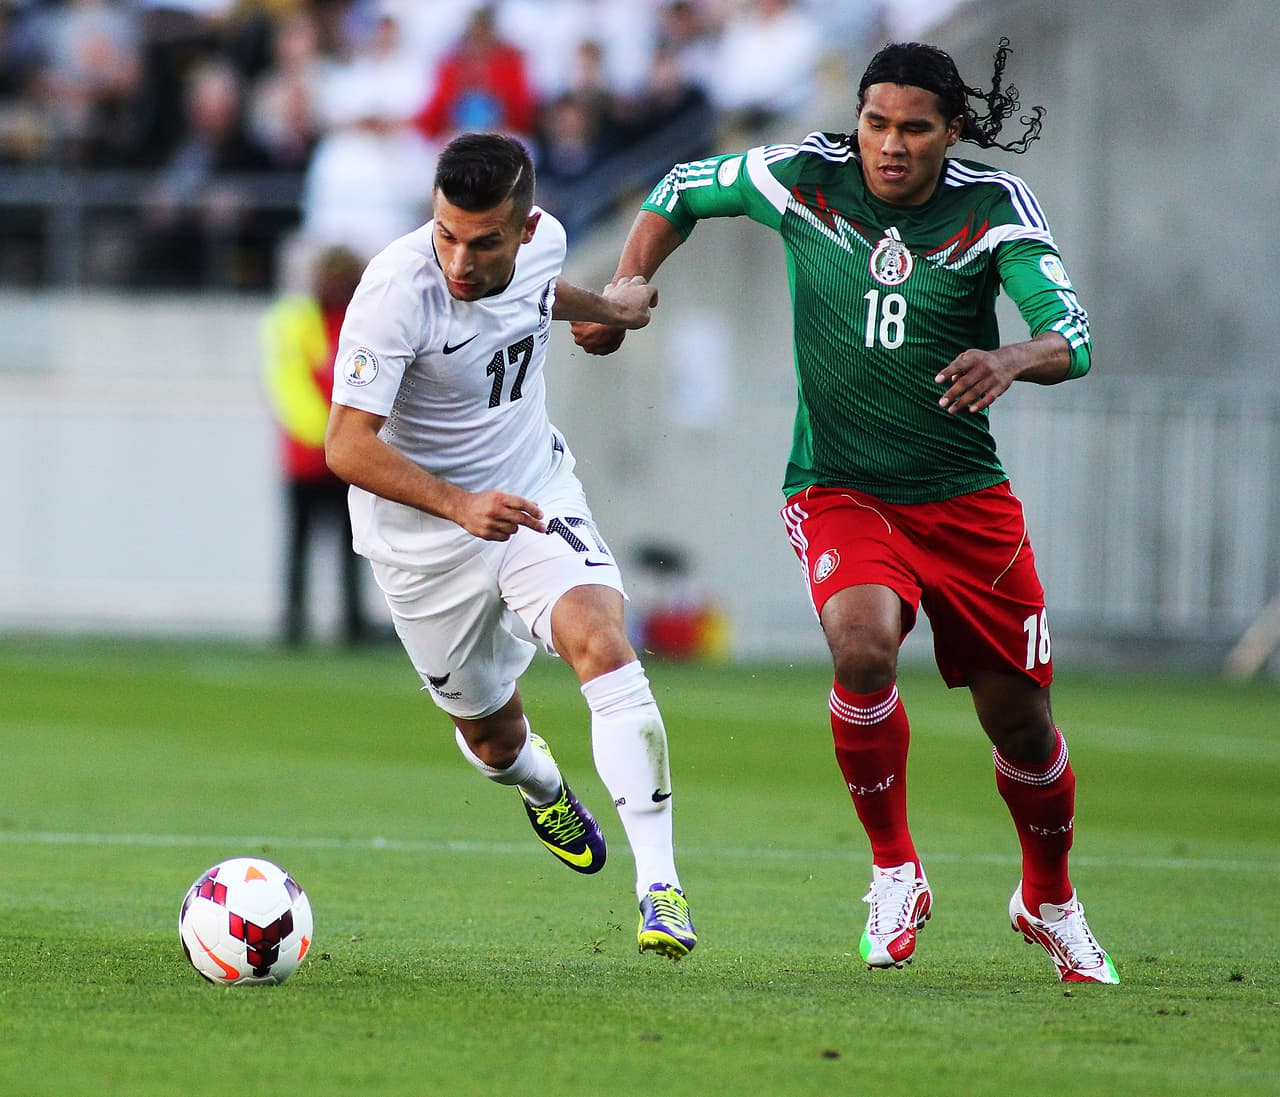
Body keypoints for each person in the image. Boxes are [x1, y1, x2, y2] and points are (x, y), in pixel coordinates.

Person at [573, 39, 1118, 984]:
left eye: (914, 128)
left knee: (1020, 724)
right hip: (839, 486)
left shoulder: (993, 211)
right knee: (861, 644)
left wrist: (1011, 357)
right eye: (876, 123)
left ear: (952, 131)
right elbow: (678, 188)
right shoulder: (801, 175)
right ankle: (894, 868)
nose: (891, 144)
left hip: (964, 503)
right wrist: (626, 288)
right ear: (856, 121)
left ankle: (1050, 897)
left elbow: (1069, 332)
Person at [324, 132, 696, 959]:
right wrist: (459, 506)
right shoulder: (394, 291)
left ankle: (660, 887)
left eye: (484, 240)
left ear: (525, 228)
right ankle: (544, 787)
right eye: (446, 234)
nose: (460, 258)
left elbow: (533, 295)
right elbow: (345, 445)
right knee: (494, 740)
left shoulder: (548, 243)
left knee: (600, 641)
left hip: (532, 493)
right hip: (424, 540)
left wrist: (607, 309)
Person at [260, 244, 370, 648]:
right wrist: (334, 438)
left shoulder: (361, 319)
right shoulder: (294, 321)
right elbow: (288, 388)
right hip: (311, 457)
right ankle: (293, 623)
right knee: (302, 543)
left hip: (347, 455)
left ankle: (353, 625)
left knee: (352, 544)